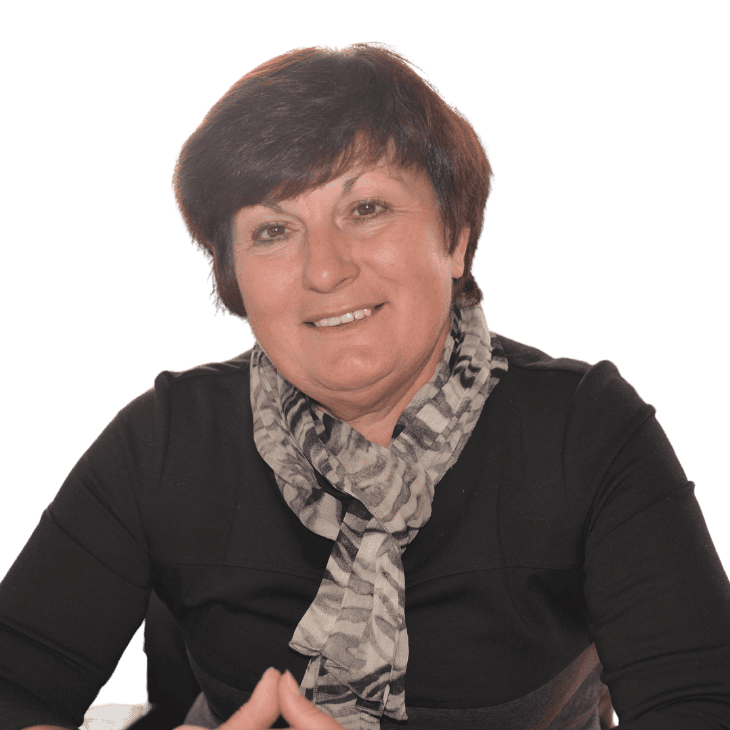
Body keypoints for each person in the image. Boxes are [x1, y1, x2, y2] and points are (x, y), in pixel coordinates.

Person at [1, 41, 729, 730]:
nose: (325, 270)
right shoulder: (165, 440)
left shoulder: (584, 430)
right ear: (234, 278)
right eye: (273, 231)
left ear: (455, 238)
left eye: (366, 209)